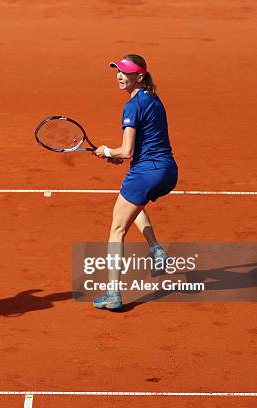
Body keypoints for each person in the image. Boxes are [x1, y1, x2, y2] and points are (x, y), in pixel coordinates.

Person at [92, 54, 178, 310]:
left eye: (125, 72)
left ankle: (113, 294)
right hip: (168, 172)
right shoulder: (154, 99)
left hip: (146, 172)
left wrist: (108, 152)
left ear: (138, 76)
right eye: (118, 71)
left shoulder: (132, 105)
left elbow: (127, 150)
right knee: (133, 203)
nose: (119, 76)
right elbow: (144, 143)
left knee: (116, 230)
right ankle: (156, 249)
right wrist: (122, 157)